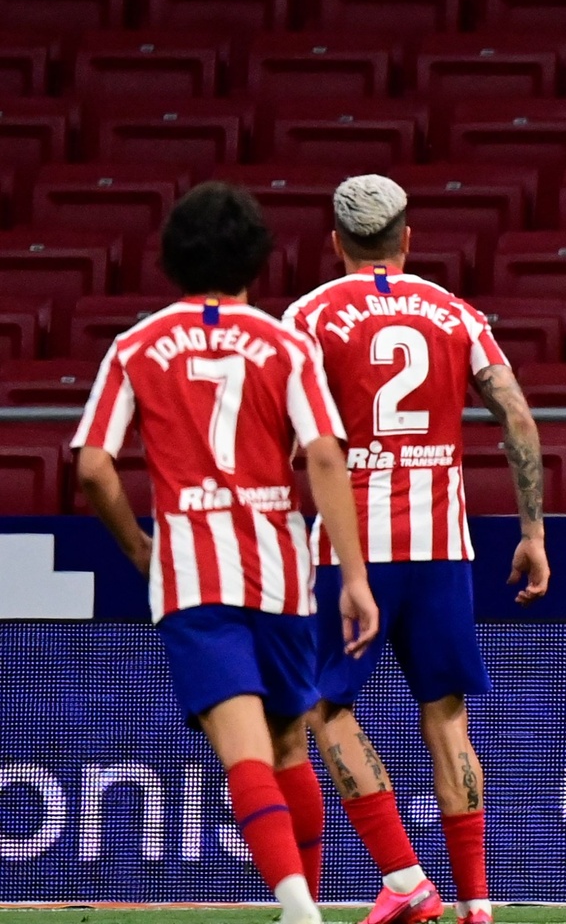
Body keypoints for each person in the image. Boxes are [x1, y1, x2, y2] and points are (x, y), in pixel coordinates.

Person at [71, 183, 378, 924]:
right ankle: (306, 901)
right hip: (281, 573)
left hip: (193, 576)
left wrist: (138, 546)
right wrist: (354, 576)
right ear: (255, 259)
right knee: (288, 745)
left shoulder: (135, 346)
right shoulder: (287, 345)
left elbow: (93, 465)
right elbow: (325, 456)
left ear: (174, 257)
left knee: (243, 750)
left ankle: (297, 907)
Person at [281, 175, 550, 924]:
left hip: (351, 550)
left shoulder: (308, 316)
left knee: (324, 708)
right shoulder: (457, 314)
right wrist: (532, 534)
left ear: (334, 243)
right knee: (447, 713)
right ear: (408, 238)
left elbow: (285, 437)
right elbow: (519, 418)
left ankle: (404, 878)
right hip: (441, 546)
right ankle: (477, 902)